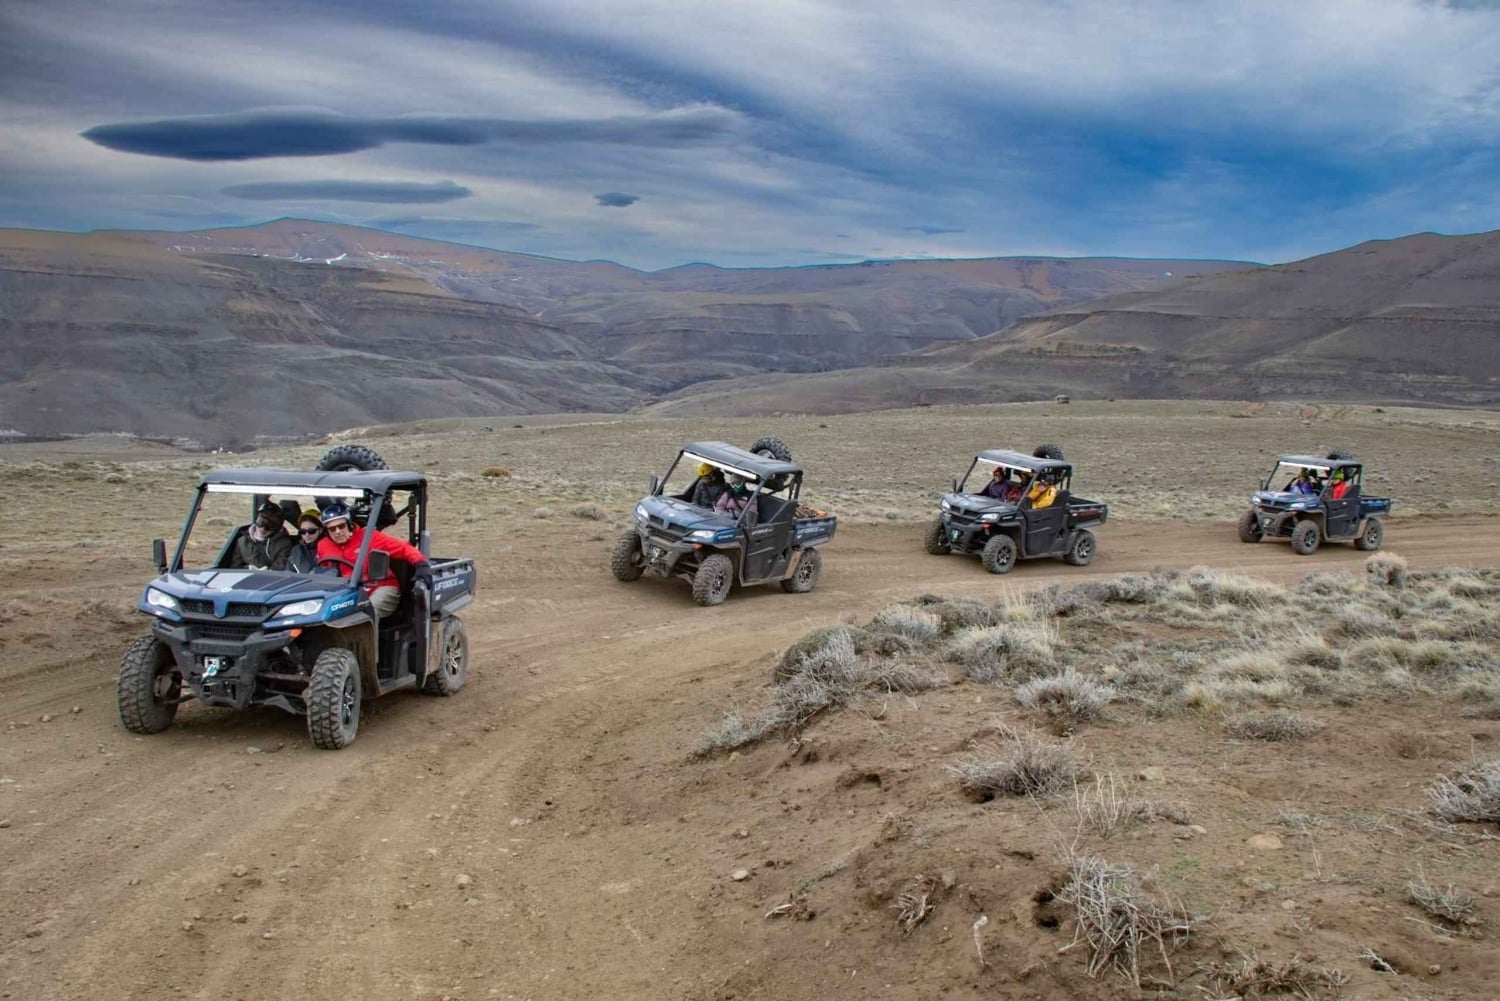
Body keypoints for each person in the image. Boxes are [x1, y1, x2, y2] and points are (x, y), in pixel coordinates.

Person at [315, 503, 432, 621]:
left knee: (364, 614)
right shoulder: (323, 545)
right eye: (332, 529)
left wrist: (421, 564)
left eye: (341, 526)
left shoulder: (369, 537)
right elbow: (324, 572)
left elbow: (404, 548)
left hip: (379, 586)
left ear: (349, 524)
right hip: (347, 591)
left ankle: (364, 638)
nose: (338, 532)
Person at [227, 501, 293, 570]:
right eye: (261, 522)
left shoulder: (284, 544)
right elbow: (235, 568)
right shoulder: (242, 542)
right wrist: (247, 569)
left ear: (277, 528)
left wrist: (267, 571)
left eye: (270, 525)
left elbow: (281, 568)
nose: (263, 529)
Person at [286, 509, 325, 574]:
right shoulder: (296, 550)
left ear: (320, 530)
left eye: (311, 531)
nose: (307, 535)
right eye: (303, 532)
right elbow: (288, 572)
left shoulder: (328, 548)